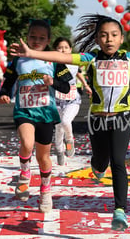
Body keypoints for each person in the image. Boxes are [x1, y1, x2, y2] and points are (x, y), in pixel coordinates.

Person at [9, 14, 130, 231]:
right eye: (103, 35)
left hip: (121, 118)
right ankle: (97, 166)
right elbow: (60, 57)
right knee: (101, 162)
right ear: (97, 39)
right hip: (97, 120)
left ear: (122, 38)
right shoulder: (90, 58)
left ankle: (120, 210)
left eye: (114, 35)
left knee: (119, 162)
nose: (109, 39)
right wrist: (31, 53)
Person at [0, 19, 72, 213]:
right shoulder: (18, 60)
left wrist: (52, 81)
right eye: (32, 37)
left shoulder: (54, 60)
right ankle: (24, 174)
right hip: (24, 111)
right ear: (27, 36)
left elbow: (66, 87)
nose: (36, 41)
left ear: (48, 40)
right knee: (27, 144)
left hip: (46, 113)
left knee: (43, 157)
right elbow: (8, 81)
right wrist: (4, 94)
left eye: (41, 38)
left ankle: (45, 191)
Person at [52, 37, 92, 166]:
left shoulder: (74, 62)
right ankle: (59, 151)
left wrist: (85, 85)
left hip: (73, 100)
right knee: (58, 128)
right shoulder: (52, 64)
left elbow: (79, 73)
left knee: (65, 121)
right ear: (55, 50)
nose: (63, 50)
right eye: (60, 48)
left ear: (70, 49)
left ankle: (69, 141)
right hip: (56, 101)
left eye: (66, 47)